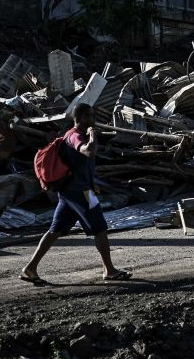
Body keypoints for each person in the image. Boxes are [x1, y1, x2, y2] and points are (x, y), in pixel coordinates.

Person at [20, 103, 130, 284]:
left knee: (55, 230)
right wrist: (93, 136)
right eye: (91, 116)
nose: (94, 120)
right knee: (100, 229)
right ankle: (109, 271)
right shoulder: (75, 136)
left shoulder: (72, 135)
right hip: (79, 193)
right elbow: (89, 151)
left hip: (70, 193)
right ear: (82, 118)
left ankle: (30, 268)